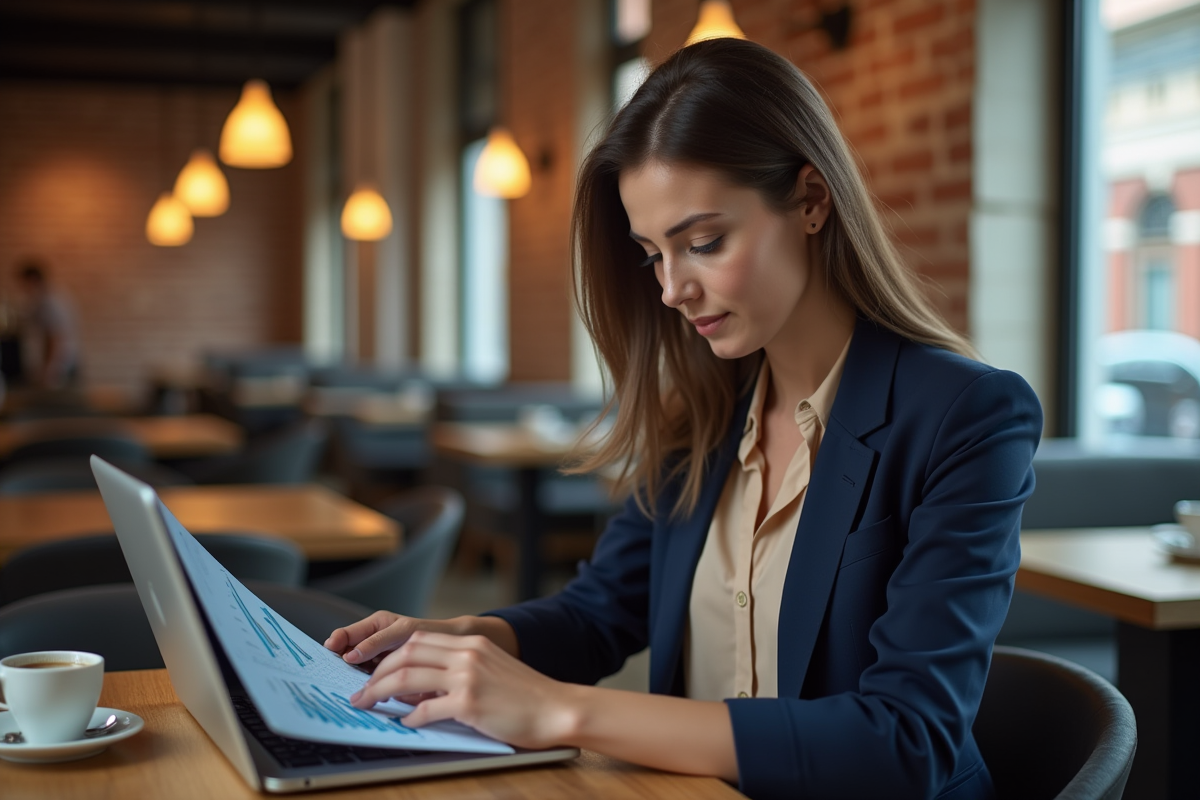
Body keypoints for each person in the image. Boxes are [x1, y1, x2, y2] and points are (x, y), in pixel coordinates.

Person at [324, 39, 1041, 800]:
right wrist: (463, 640)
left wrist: (563, 710)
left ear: (810, 200)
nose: (671, 290)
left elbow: (907, 741)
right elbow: (599, 615)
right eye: (652, 256)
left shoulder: (966, 416)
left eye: (703, 243)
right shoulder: (702, 410)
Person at [14, 259, 80, 389]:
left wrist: (47, 372)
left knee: (56, 407)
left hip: (59, 369)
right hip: (64, 365)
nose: (23, 289)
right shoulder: (54, 296)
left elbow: (53, 336)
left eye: (24, 283)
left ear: (32, 280)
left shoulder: (49, 302)